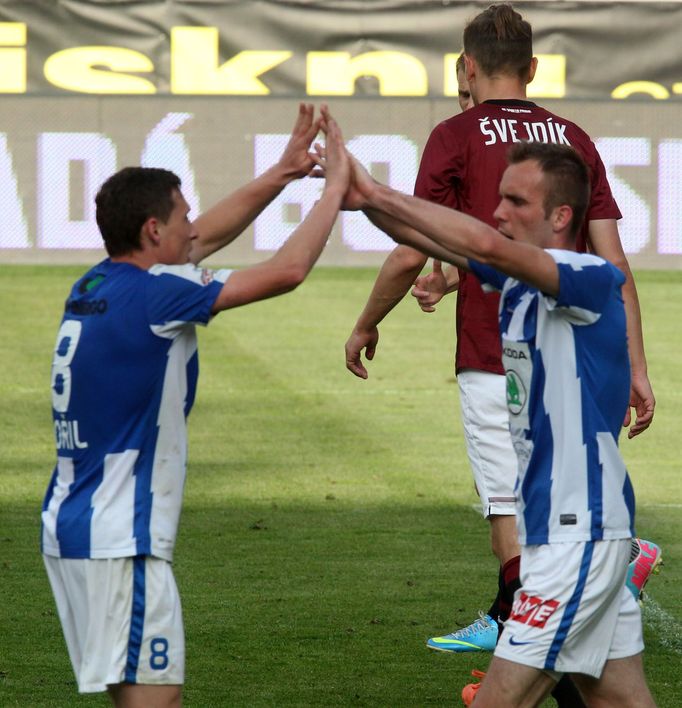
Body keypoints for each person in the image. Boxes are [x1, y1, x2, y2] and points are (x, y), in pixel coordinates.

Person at [344, 3, 659, 671]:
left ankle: (516, 626)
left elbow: (416, 245)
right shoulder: (572, 138)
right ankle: (582, 593)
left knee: (507, 504)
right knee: (566, 479)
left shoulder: (456, 134)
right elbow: (608, 264)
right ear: (534, 68)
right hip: (588, 350)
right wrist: (637, 363)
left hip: (501, 352)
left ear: (467, 66)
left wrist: (370, 319)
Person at [41, 105, 349, 707]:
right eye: (182, 215)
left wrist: (281, 172)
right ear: (153, 231)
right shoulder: (161, 295)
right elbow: (286, 271)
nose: (193, 227)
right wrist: (333, 191)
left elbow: (202, 239)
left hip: (73, 525)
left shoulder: (96, 282)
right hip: (119, 537)